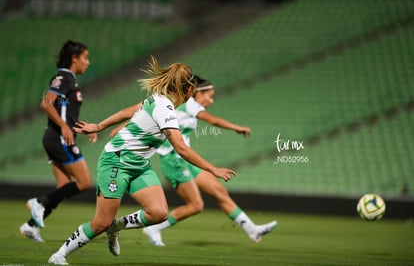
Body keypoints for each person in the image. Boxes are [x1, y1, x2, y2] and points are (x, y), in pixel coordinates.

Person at [48, 56, 236, 265]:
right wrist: (213, 170)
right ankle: (59, 255)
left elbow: (131, 110)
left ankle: (115, 227)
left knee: (158, 213)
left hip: (139, 166)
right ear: (189, 89)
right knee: (100, 222)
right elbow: (181, 148)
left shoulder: (159, 99)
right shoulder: (164, 107)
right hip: (116, 163)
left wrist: (100, 126)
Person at [142, 76, 276, 246]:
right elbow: (212, 120)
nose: (210, 100)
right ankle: (155, 227)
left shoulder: (184, 105)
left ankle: (252, 230)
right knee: (196, 205)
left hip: (186, 160)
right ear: (198, 93)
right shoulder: (190, 103)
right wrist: (236, 127)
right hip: (173, 161)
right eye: (209, 96)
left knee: (219, 191)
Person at [20, 40, 96, 242]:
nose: (87, 62)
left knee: (63, 186)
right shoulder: (64, 77)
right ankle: (40, 202)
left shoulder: (68, 80)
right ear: (74, 58)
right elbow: (46, 103)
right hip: (59, 137)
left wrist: (82, 127)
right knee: (84, 182)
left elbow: (64, 110)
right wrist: (64, 127)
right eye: (85, 58)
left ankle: (31, 226)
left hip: (55, 137)